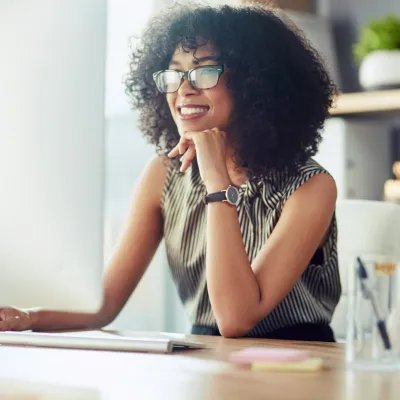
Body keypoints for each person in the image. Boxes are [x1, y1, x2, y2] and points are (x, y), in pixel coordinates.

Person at [0, 2, 341, 341]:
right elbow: (104, 306)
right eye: (173, 73)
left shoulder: (311, 186)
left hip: (298, 364)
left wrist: (216, 183)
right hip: (207, 362)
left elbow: (237, 319)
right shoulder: (162, 174)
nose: (183, 89)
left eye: (204, 71)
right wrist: (26, 316)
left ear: (257, 85)